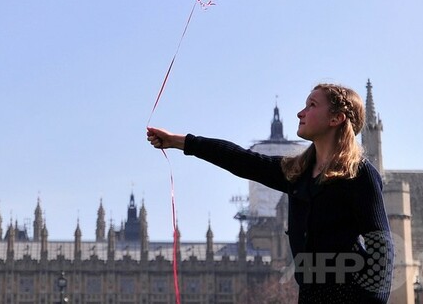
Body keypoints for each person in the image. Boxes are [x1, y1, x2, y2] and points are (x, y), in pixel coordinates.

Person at [147, 83, 393, 303]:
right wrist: (180, 142)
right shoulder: (298, 173)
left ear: (336, 118)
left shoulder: (359, 174)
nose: (300, 112)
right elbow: (242, 160)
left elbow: (381, 246)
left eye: (312, 105)